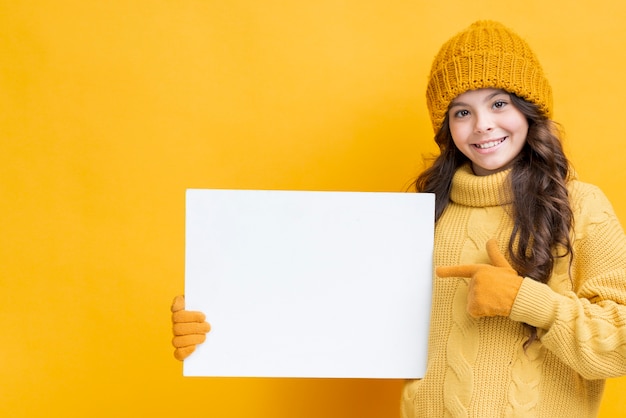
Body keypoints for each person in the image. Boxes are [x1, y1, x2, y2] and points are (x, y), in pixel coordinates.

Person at [171, 20, 626, 417]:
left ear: (530, 110)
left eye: (499, 103)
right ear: (446, 127)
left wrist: (527, 301)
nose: (482, 124)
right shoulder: (420, 216)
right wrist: (219, 318)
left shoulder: (579, 207)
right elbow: (326, 309)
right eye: (461, 112)